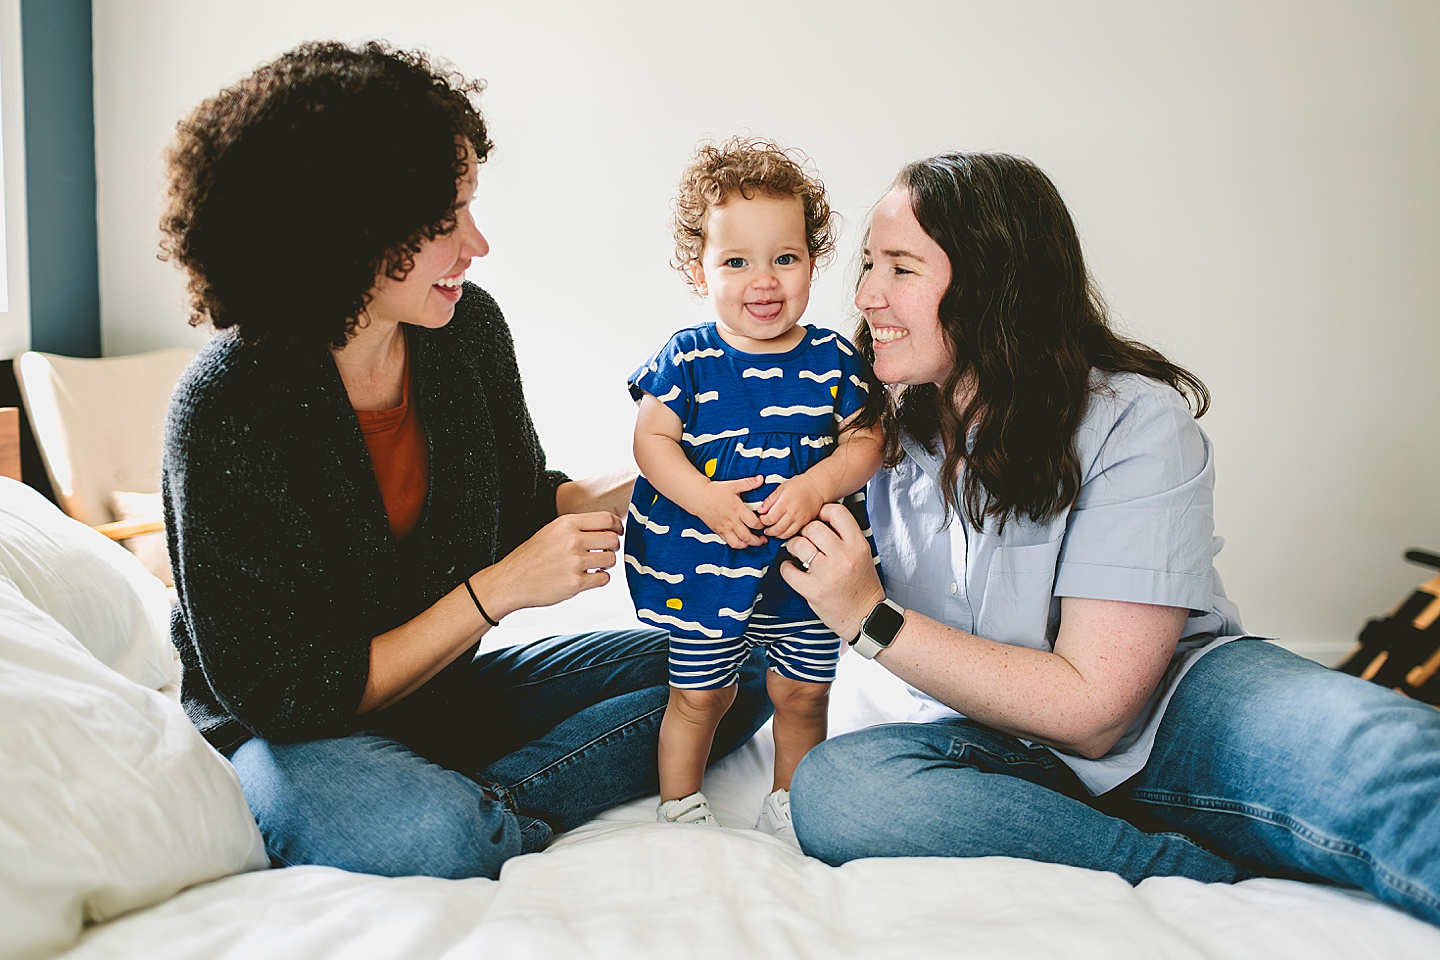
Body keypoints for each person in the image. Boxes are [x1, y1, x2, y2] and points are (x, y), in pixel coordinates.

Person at [156, 41, 772, 881]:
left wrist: (683, 475)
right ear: (347, 229)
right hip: (297, 734)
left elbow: (523, 503)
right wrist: (498, 592)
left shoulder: (464, 332)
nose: (475, 243)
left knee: (747, 660)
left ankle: (473, 802)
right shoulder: (229, 410)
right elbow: (288, 696)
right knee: (427, 839)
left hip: (444, 694)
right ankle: (466, 816)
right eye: (445, 219)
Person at [781, 151, 1440, 925]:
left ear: (994, 286)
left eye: (901, 268)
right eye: (867, 265)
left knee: (1392, 756)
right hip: (995, 742)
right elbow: (725, 463)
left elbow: (1098, 708)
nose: (865, 296)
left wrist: (869, 617)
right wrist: (611, 494)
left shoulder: (1133, 419)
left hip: (1182, 714)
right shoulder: (874, 435)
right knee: (838, 790)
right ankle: (1174, 866)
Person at [624, 138, 883, 842]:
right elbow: (652, 443)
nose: (762, 281)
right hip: (705, 564)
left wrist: (818, 482)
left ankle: (791, 800)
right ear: (696, 268)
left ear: (811, 259)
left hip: (804, 570)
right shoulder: (688, 357)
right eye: (735, 261)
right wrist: (707, 499)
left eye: (785, 258)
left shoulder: (832, 358)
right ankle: (679, 802)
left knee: (802, 692)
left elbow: (868, 441)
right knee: (700, 693)